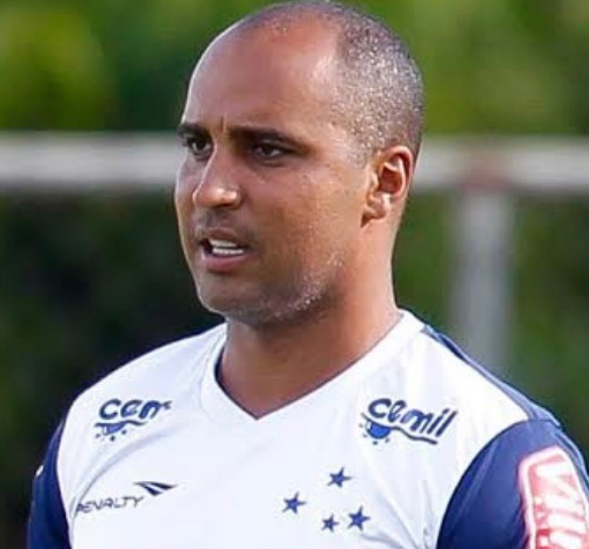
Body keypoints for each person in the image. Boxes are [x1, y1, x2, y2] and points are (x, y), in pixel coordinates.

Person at [28, 1, 589, 548]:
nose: (211, 189)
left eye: (267, 150)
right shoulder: (101, 426)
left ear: (384, 182)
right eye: (198, 146)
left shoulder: (485, 460)